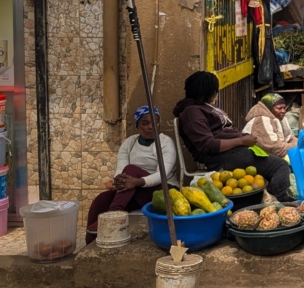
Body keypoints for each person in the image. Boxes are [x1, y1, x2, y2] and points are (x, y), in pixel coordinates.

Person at [173, 71, 292, 202]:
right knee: (280, 166)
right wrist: (241, 141)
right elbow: (208, 145)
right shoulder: (192, 112)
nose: (215, 94)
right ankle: (281, 201)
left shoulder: (204, 107)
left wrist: (243, 138)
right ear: (206, 91)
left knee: (272, 165)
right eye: (214, 91)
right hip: (223, 157)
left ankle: (266, 200)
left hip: (236, 150)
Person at [86, 106, 176, 244]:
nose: (151, 127)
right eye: (145, 123)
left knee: (131, 169)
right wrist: (119, 180)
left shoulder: (165, 142)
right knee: (101, 200)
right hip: (136, 191)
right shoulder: (129, 143)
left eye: (155, 122)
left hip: (162, 192)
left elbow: (161, 175)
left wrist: (137, 181)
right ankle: (90, 244)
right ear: (137, 125)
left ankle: (112, 216)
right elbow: (121, 168)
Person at [242, 93, 297, 158]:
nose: (283, 111)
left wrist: (303, 140)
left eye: (284, 108)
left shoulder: (278, 117)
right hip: (257, 157)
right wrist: (297, 146)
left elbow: (289, 137)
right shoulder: (261, 120)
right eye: (279, 108)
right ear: (269, 108)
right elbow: (274, 148)